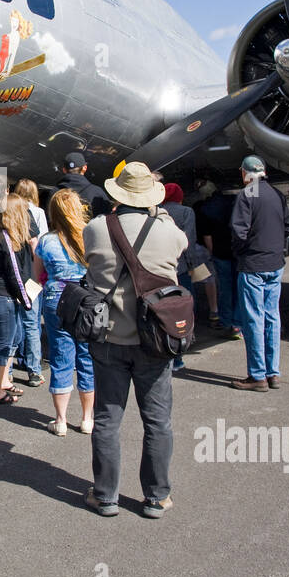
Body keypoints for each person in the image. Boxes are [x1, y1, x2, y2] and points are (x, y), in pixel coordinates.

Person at [82, 161, 187, 519]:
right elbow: (181, 245)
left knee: (108, 420)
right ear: (151, 198)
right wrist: (161, 215)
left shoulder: (96, 228)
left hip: (109, 335)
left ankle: (106, 494)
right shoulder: (168, 230)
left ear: (118, 194)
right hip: (156, 339)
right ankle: (156, 496)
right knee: (157, 421)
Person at [32, 188, 95, 436]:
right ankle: (87, 419)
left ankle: (60, 420)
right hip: (85, 299)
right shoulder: (89, 237)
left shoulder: (46, 240)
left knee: (61, 358)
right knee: (87, 358)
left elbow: (38, 276)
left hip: (55, 298)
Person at [230, 155, 289, 391]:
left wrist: (241, 253)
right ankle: (273, 373)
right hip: (275, 263)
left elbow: (239, 232)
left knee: (254, 319)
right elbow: (288, 227)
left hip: (253, 264)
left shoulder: (248, 194)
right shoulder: (277, 194)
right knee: (272, 317)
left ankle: (257, 376)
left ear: (244, 173)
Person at [0, 193, 36, 403]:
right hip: (1, 296)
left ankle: (3, 381)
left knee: (15, 337)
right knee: (4, 343)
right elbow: (15, 274)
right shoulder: (6, 238)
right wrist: (27, 300)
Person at [159, 182, 212, 372]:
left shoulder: (156, 212)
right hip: (181, 268)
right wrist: (192, 265)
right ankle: (180, 354)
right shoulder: (187, 212)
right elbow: (188, 241)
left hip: (161, 269)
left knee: (163, 311)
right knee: (183, 310)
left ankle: (165, 352)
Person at [196, 182, 242, 339]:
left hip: (220, 253)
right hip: (236, 250)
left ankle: (225, 321)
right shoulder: (233, 201)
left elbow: (207, 236)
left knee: (225, 288)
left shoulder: (205, 209)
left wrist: (212, 252)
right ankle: (238, 323)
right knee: (238, 287)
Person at [11, 179, 46, 386]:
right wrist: (39, 276)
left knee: (13, 324)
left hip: (12, 277)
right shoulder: (37, 214)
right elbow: (38, 243)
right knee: (32, 324)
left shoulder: (6, 216)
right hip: (31, 277)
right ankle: (33, 369)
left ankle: (8, 369)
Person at [57, 151, 112, 216]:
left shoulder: (54, 193)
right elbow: (108, 218)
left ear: (64, 170)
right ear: (84, 168)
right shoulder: (98, 193)